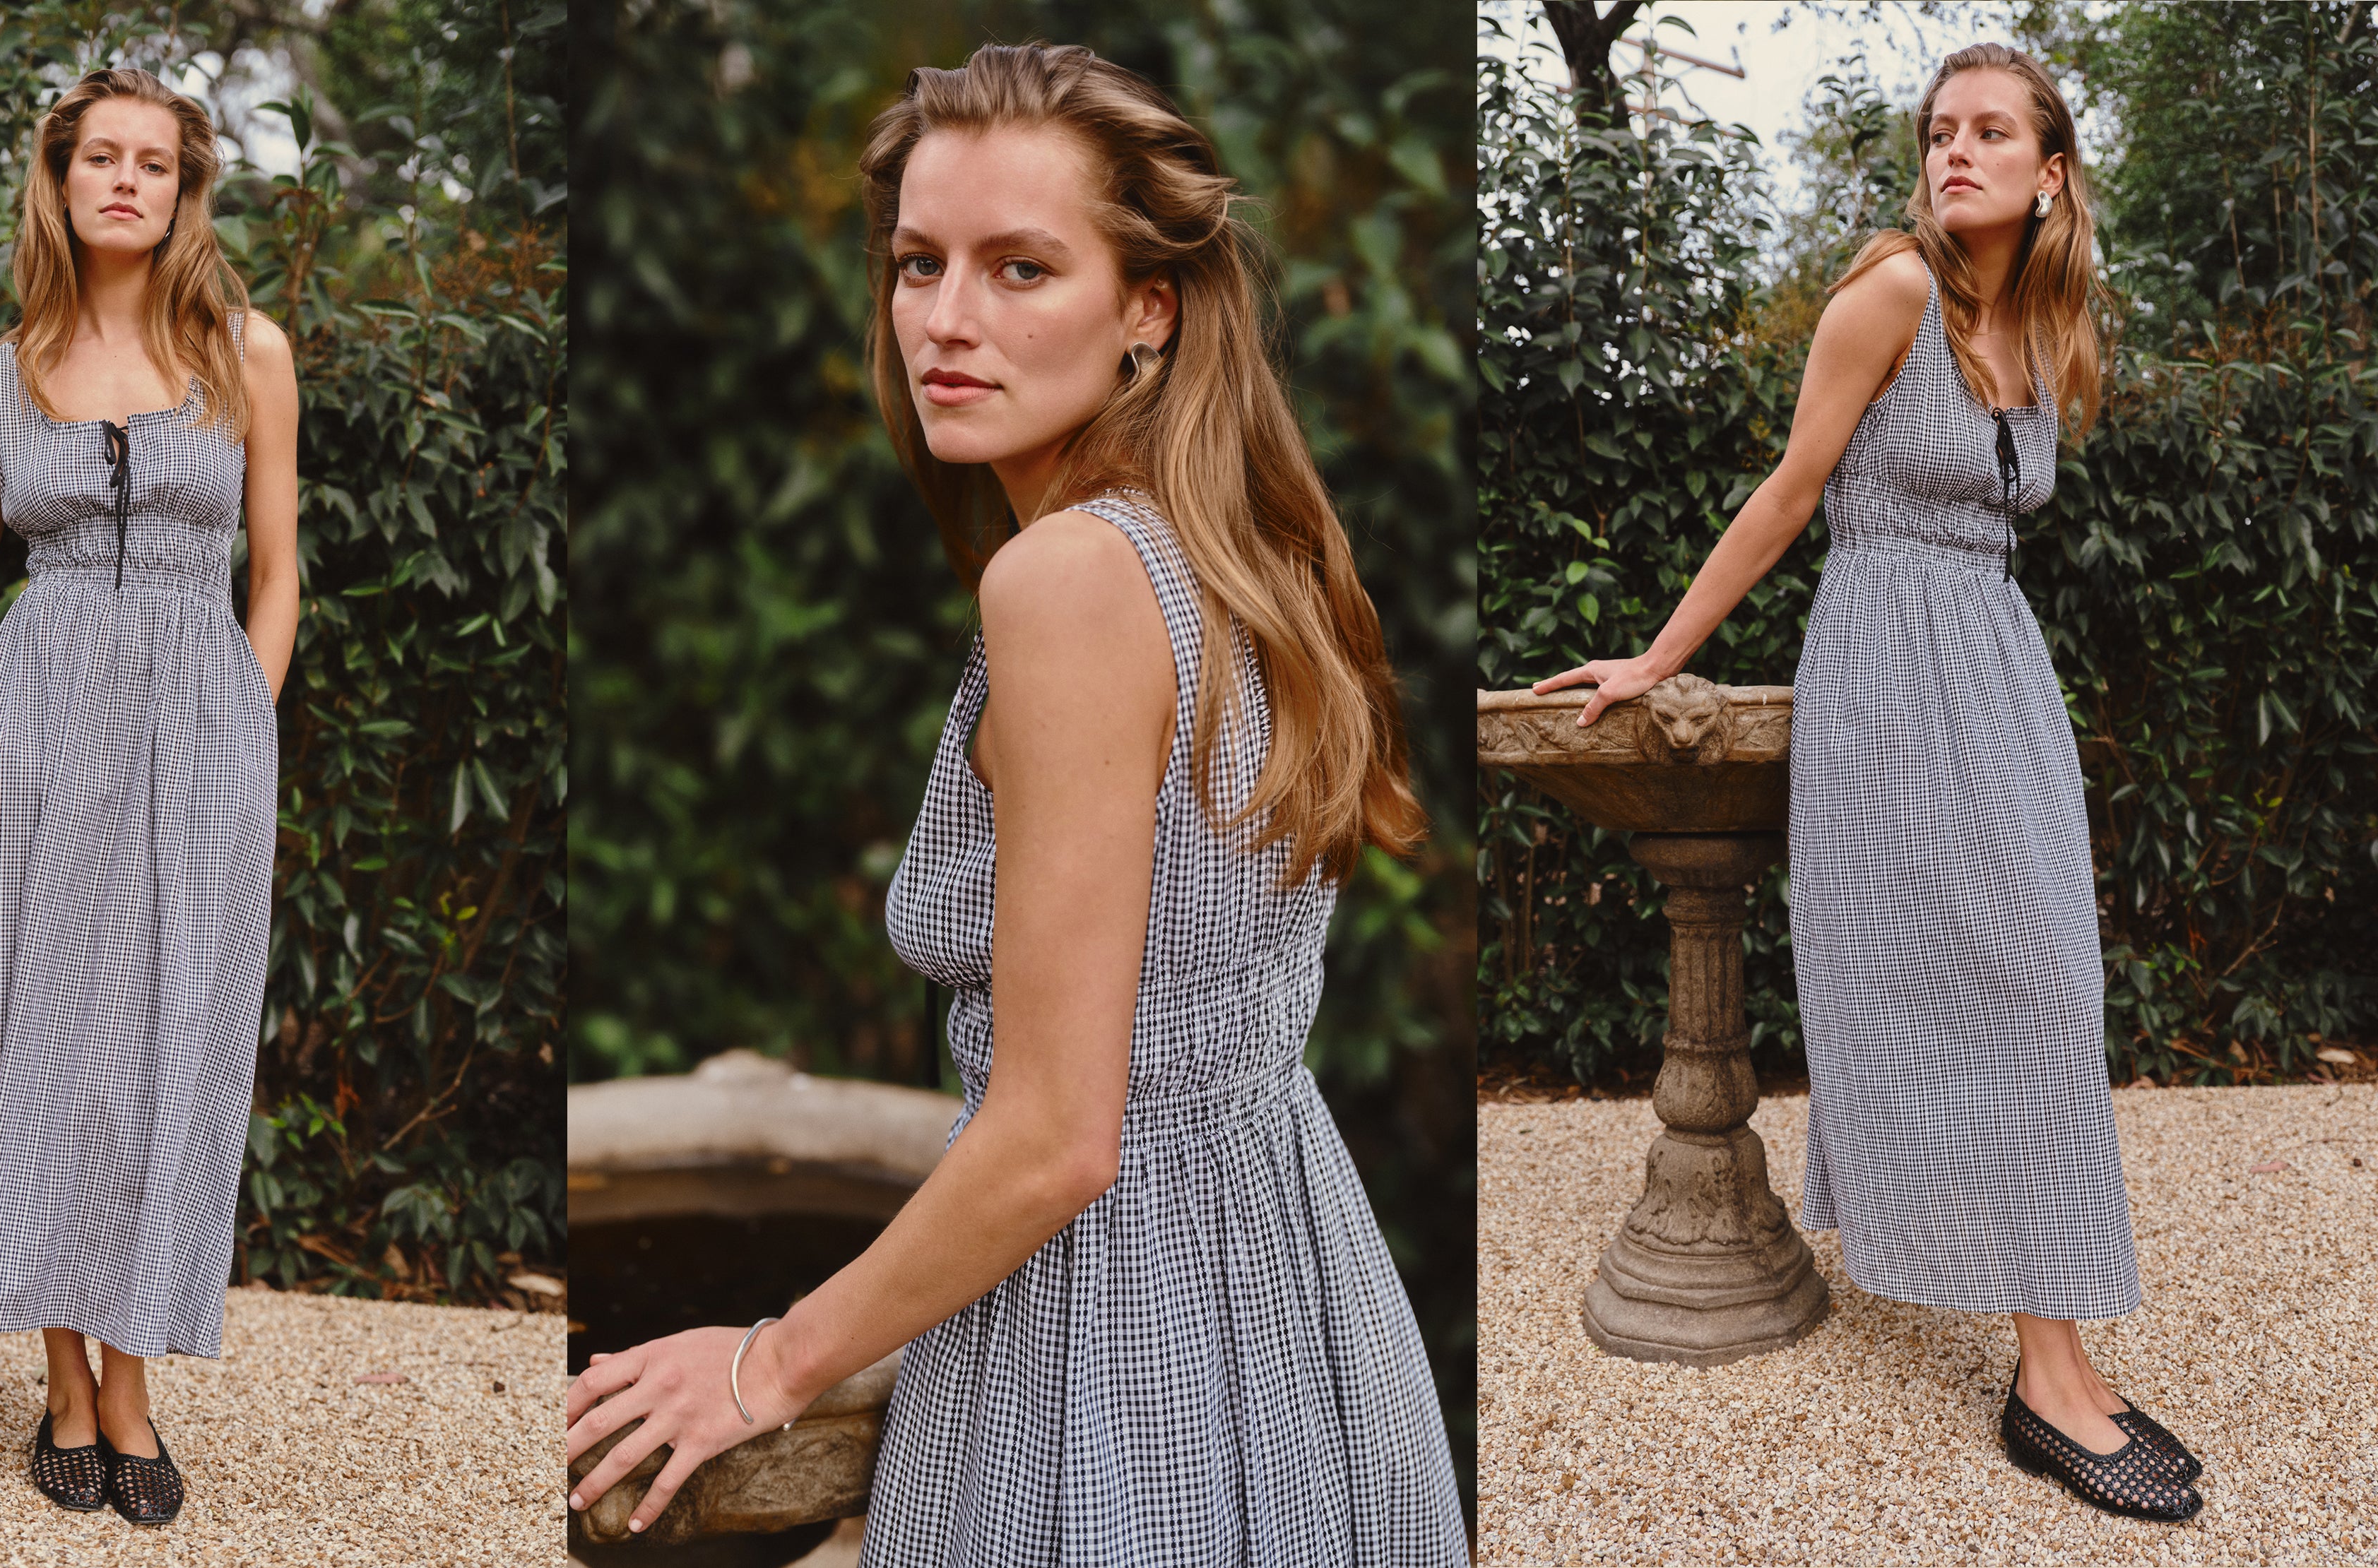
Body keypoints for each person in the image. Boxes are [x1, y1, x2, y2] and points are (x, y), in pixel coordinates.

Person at [566, 42, 1465, 1564]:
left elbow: (1060, 1134)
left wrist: (763, 1364)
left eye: (1020, 267)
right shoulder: (1222, 559)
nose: (946, 320)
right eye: (919, 264)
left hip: (1106, 1346)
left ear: (1148, 311)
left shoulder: (1066, 578)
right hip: (1291, 1303)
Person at [1532, 43, 2203, 1524]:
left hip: (2001, 677)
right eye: (1940, 130)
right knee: (2009, 996)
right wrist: (1653, 660)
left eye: (1990, 131)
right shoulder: (1891, 294)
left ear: (2052, 170)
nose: (1955, 151)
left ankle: (2057, 1356)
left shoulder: (2043, 330)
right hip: (1891, 677)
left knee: (2053, 987)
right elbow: (1787, 495)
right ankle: (2053, 1376)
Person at [0, 68, 299, 1527]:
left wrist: (242, 720)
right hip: (39, 752)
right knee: (40, 1058)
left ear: (185, 185)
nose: (128, 181)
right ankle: (69, 1387)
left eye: (154, 160)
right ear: (61, 179)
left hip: (202, 747)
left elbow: (276, 574)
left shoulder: (247, 352)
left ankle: (129, 1385)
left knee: (157, 1062)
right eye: (102, 158)